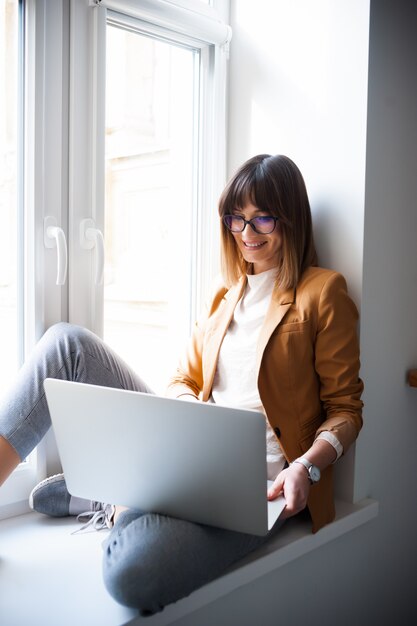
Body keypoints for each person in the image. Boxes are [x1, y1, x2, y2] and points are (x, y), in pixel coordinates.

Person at [0, 154, 363, 614]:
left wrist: (306, 468)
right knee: (65, 344)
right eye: (237, 219)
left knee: (135, 577)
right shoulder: (223, 293)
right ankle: (127, 489)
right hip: (190, 452)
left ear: (291, 219)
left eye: (263, 219)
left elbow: (346, 409)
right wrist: (191, 418)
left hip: (256, 485)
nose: (247, 234)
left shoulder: (323, 292)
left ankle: (110, 496)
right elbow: (181, 378)